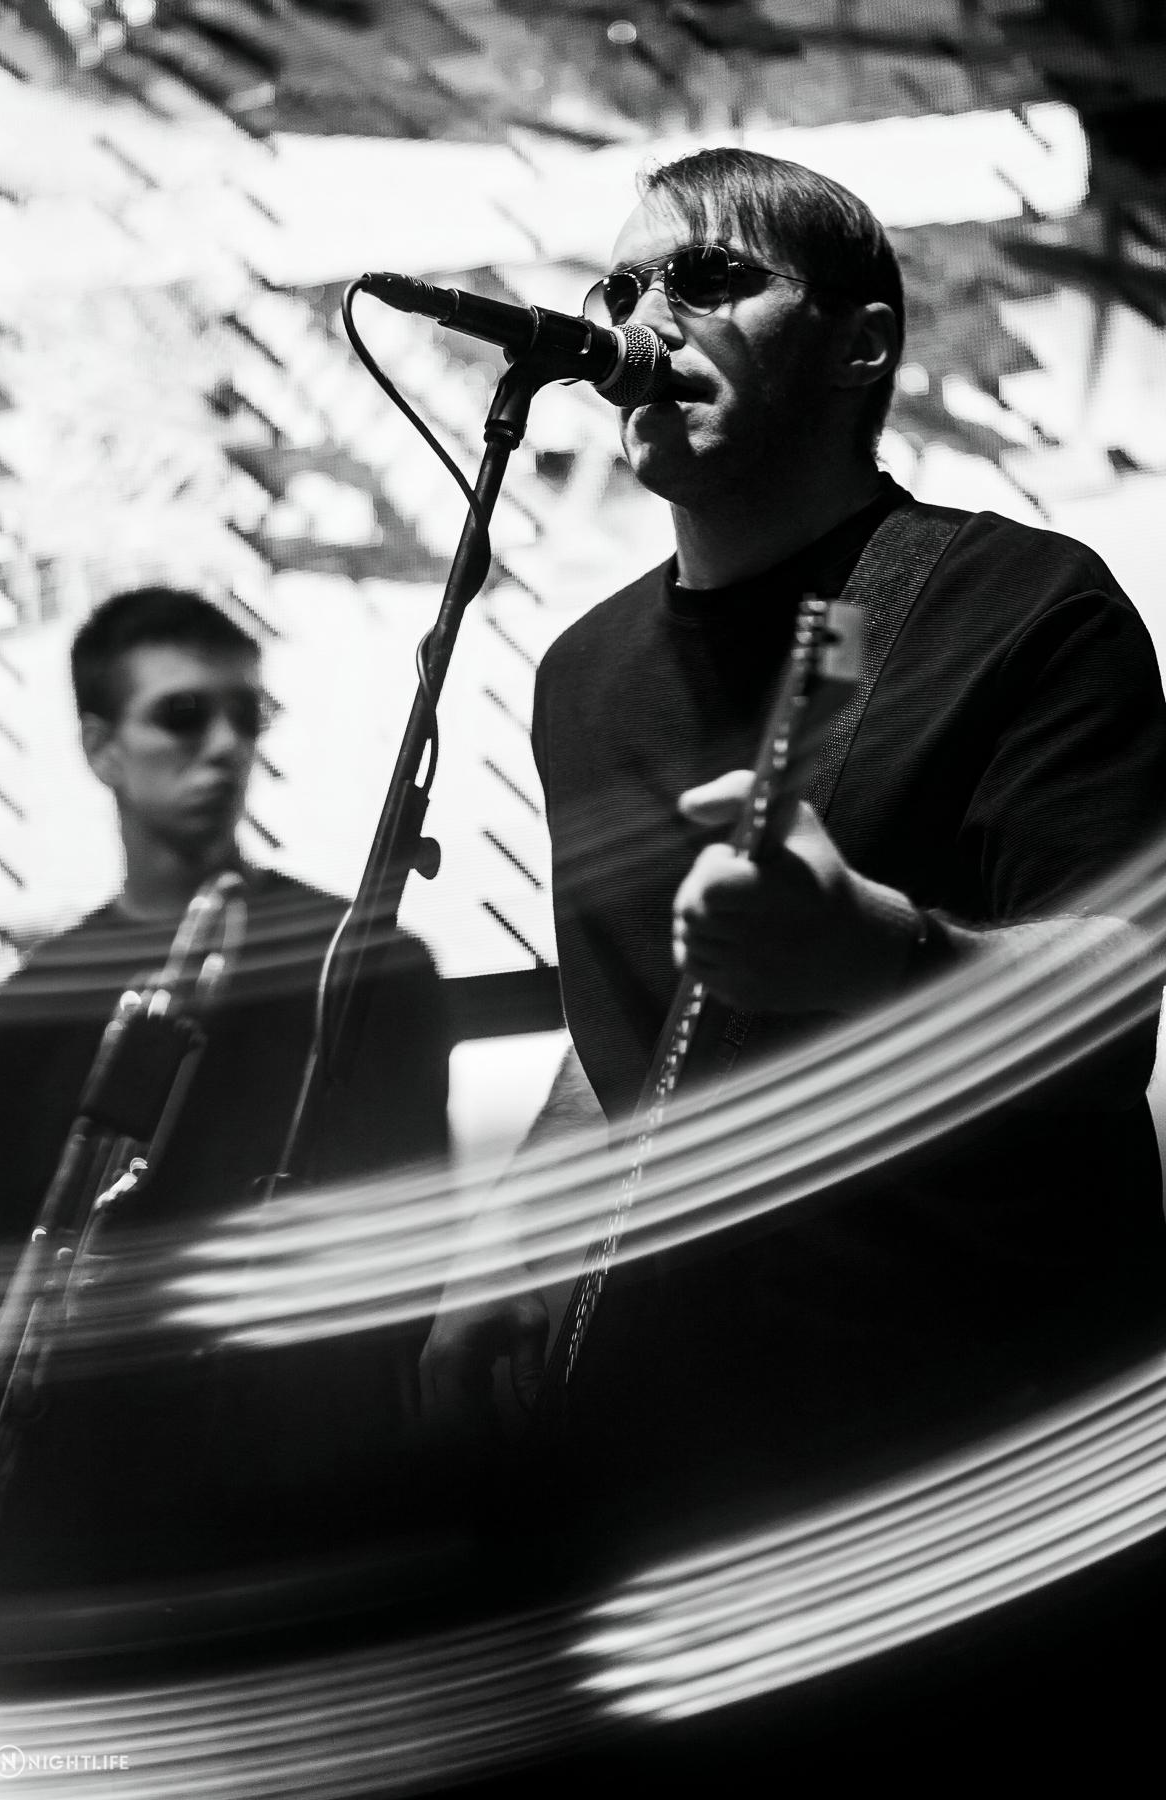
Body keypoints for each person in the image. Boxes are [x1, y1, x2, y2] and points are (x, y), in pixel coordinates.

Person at [421, 148, 1166, 1569]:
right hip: (686, 1471)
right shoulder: (583, 675)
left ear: (860, 344)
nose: (646, 317)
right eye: (622, 288)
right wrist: (504, 1242)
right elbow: (629, 1022)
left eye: (709, 277)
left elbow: (1115, 988)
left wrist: (881, 952)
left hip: (985, 1451)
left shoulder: (1022, 606)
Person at [0, 587, 450, 1681]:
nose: (226, 747)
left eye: (247, 714)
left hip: (318, 1511)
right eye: (184, 716)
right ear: (101, 746)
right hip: (93, 1528)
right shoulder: (24, 1013)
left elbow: (411, 1260)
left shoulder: (372, 969)